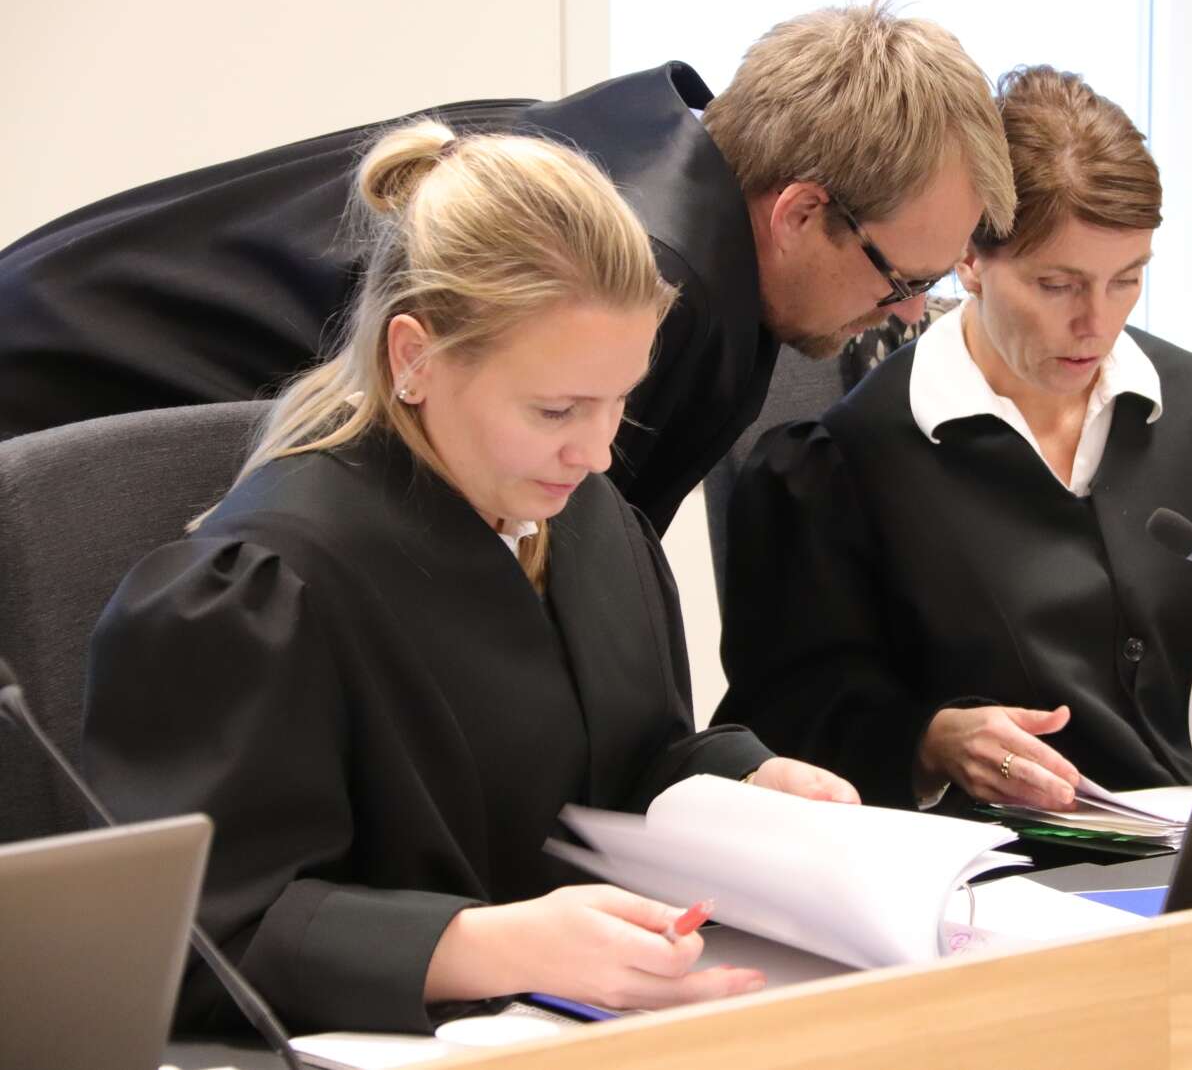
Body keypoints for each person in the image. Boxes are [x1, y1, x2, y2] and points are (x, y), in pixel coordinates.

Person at [80, 122, 857, 1037]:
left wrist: (741, 780)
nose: (597, 452)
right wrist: (493, 947)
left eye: (620, 401)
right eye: (556, 409)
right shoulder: (260, 589)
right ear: (414, 358)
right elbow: (194, 940)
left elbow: (617, 762)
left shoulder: (591, 519)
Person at [0, 1, 1014, 535]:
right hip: (56, 406)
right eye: (899, 281)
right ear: (799, 212)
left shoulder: (654, 144)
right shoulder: (638, 291)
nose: (909, 313)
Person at [713, 67, 1192, 811]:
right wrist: (929, 741)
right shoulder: (843, 466)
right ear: (968, 259)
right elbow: (792, 723)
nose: (1095, 324)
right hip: (1000, 863)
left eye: (1125, 280)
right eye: (1056, 285)